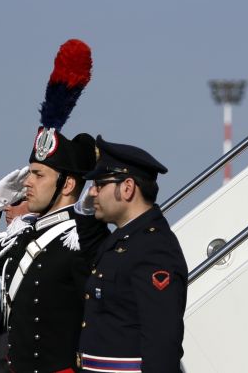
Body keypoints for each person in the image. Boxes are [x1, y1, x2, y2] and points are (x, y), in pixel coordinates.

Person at [0, 39, 109, 373]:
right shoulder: (25, 235)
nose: (27, 182)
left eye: (38, 174)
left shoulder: (83, 239)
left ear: (67, 184)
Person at [76, 137, 187, 373]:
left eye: (99, 184)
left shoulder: (154, 248)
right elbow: (93, 248)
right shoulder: (126, 240)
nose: (92, 192)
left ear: (127, 188)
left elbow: (162, 343)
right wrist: (84, 212)